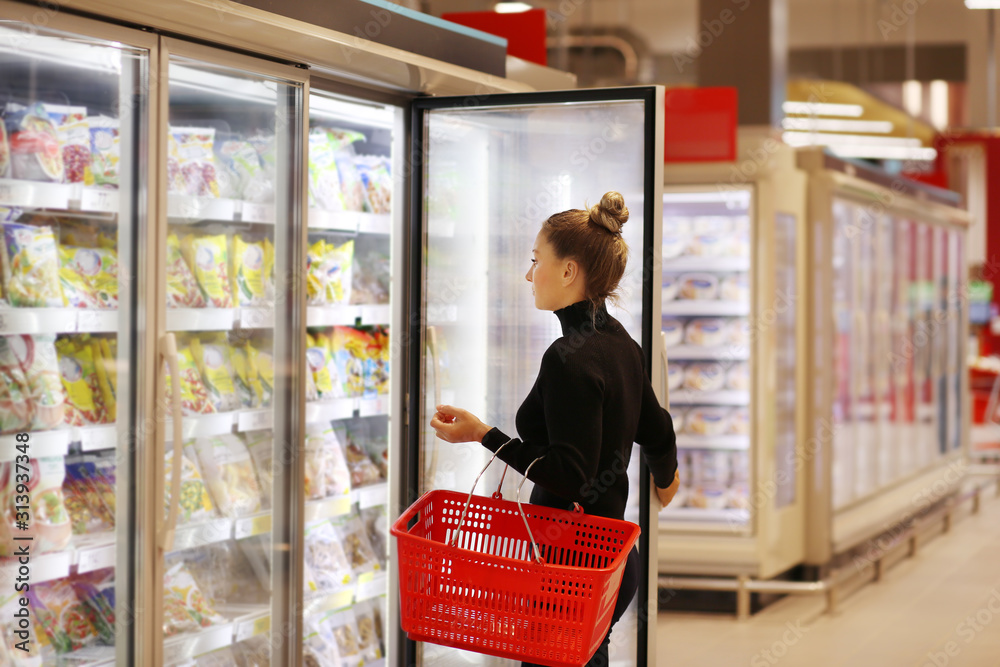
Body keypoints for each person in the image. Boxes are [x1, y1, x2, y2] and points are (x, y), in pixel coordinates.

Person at [430, 191, 680, 667]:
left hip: (571, 570)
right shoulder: (620, 341)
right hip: (614, 562)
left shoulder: (568, 358)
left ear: (568, 272)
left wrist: (483, 434)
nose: (529, 275)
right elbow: (657, 427)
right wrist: (666, 480)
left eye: (535, 260)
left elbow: (569, 474)